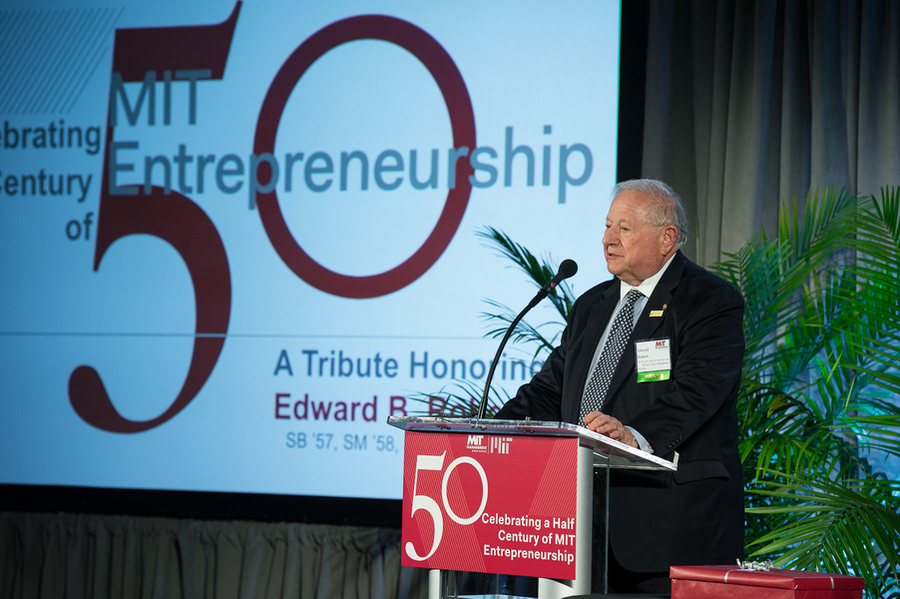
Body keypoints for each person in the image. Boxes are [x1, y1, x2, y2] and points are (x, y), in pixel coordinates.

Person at [495, 179, 745, 595]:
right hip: (577, 526)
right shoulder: (591, 305)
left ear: (667, 238)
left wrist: (635, 436)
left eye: (623, 229)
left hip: (667, 529)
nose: (607, 239)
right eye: (608, 227)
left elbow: (699, 390)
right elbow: (549, 390)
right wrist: (485, 429)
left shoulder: (709, 300)